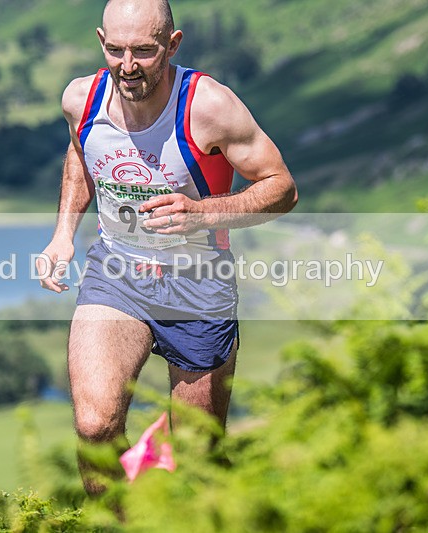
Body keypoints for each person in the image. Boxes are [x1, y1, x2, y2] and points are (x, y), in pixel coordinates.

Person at [37, 0, 297, 495]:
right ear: (100, 41)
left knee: (199, 457)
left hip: (199, 286)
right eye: (115, 50)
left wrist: (204, 213)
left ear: (172, 45)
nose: (127, 66)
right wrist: (63, 234)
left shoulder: (209, 107)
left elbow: (282, 188)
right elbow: (81, 152)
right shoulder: (81, 99)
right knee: (94, 429)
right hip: (115, 275)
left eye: (143, 51)